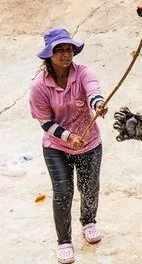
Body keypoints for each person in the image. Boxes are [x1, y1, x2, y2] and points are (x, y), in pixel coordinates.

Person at [29, 27, 108, 264]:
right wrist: (68, 137)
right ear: (48, 55)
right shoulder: (39, 87)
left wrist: (99, 104)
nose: (66, 54)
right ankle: (64, 241)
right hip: (56, 147)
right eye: (60, 50)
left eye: (69, 49)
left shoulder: (84, 73)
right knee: (63, 193)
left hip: (90, 143)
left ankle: (89, 221)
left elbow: (94, 91)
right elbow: (45, 121)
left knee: (90, 186)